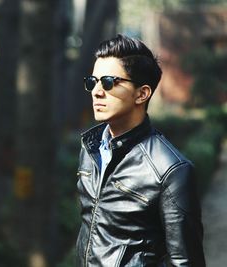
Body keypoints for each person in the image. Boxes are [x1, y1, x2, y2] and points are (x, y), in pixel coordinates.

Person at [76, 34, 205, 266]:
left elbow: (186, 261)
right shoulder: (90, 148)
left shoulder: (170, 170)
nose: (96, 91)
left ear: (142, 93)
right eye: (92, 82)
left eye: (107, 82)